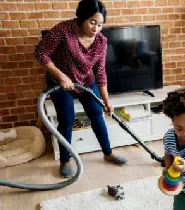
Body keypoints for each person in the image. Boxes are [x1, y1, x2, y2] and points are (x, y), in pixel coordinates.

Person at [34, 0, 127, 178]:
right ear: (82, 17)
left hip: (86, 81)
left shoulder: (101, 41)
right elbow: (40, 52)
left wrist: (107, 100)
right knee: (66, 120)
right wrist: (61, 76)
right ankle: (65, 160)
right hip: (60, 82)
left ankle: (108, 153)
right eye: (92, 22)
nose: (96, 28)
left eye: (100, 24)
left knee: (97, 114)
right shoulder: (63, 30)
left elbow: (100, 71)